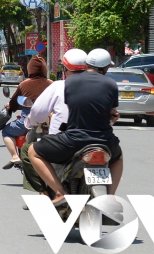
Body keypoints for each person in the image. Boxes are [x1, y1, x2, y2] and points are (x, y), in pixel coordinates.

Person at [27, 48, 124, 207]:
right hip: (105, 141)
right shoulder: (111, 84)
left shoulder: (70, 82)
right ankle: (110, 197)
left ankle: (59, 193)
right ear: (106, 68)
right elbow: (111, 112)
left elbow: (73, 105)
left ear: (87, 64)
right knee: (118, 158)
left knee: (33, 152)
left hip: (73, 141)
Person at [21, 49, 88, 194]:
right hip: (97, 141)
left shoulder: (59, 86)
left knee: (28, 151)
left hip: (66, 142)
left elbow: (38, 112)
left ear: (65, 70)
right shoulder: (100, 85)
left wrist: (29, 123)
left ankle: (54, 192)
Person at [0, 55, 52, 170]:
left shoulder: (24, 84)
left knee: (7, 131)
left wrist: (11, 107)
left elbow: (13, 103)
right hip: (49, 122)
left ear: (30, 69)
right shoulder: (51, 83)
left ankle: (14, 156)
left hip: (28, 120)